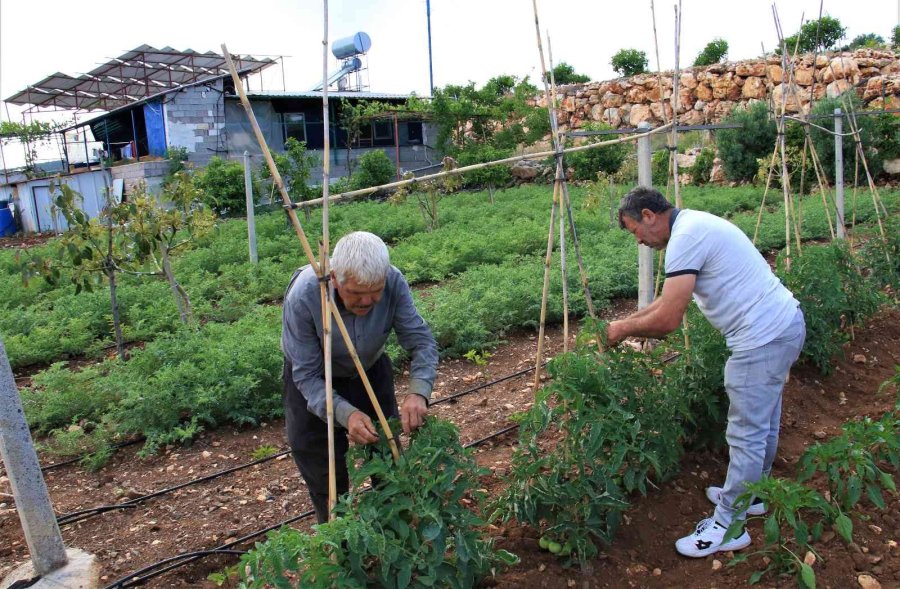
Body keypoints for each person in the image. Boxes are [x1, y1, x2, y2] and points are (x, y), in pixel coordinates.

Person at [607, 186, 806, 558]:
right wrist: (621, 324)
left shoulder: (685, 238)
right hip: (783, 324)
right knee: (764, 422)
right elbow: (664, 302)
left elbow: (668, 320)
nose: (639, 241)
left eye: (635, 231)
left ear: (649, 216)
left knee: (746, 433)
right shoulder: (694, 225)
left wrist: (621, 331)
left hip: (761, 338)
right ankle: (754, 496)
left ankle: (729, 524)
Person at [281, 231, 438, 523]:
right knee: (325, 472)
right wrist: (345, 414)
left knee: (386, 457)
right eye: (355, 292)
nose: (367, 300)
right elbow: (306, 375)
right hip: (315, 382)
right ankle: (337, 547)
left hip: (370, 370)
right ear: (335, 278)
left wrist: (418, 391)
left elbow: (421, 341)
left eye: (375, 291)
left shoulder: (392, 281)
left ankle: (393, 536)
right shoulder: (305, 294)